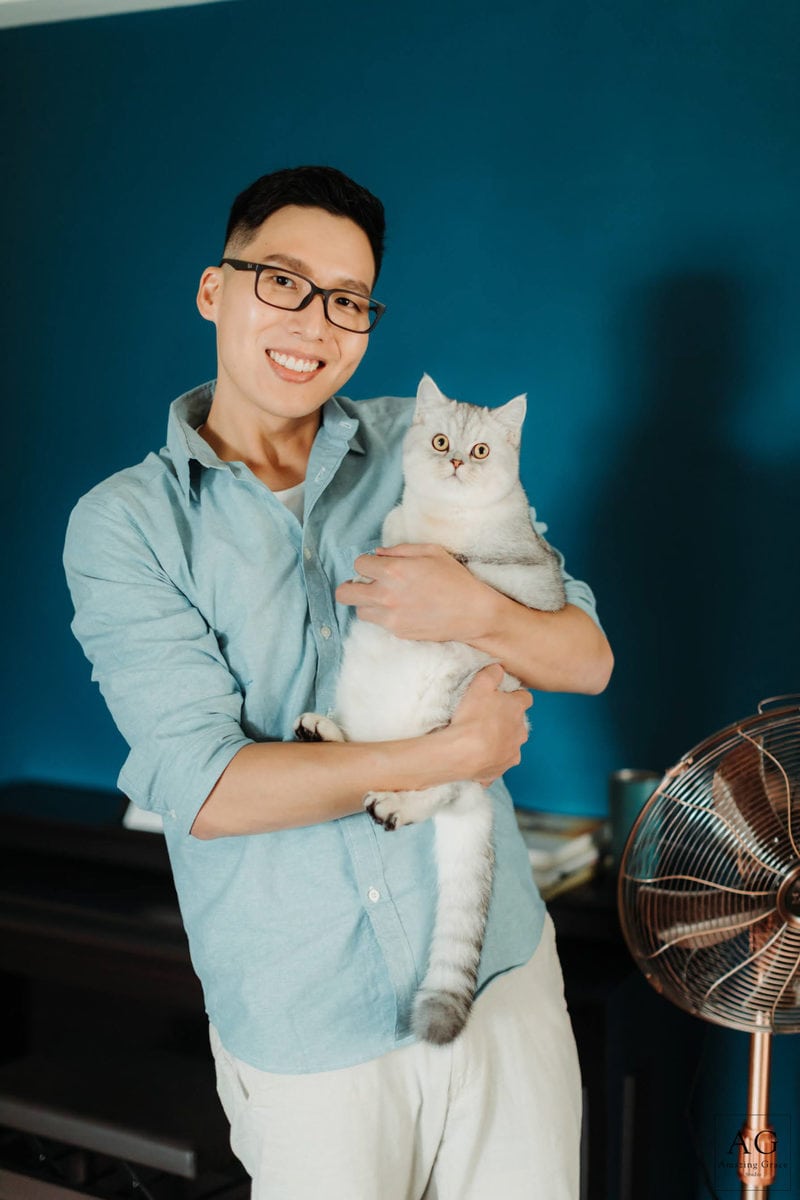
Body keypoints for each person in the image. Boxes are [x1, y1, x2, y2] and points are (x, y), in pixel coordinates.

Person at [64, 165, 613, 1200]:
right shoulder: (126, 525)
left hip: (496, 973)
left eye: (348, 299)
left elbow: (585, 657)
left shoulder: (428, 445)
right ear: (214, 289)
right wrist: (448, 754)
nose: (313, 323)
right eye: (282, 280)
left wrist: (473, 607)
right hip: (308, 1023)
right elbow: (210, 792)